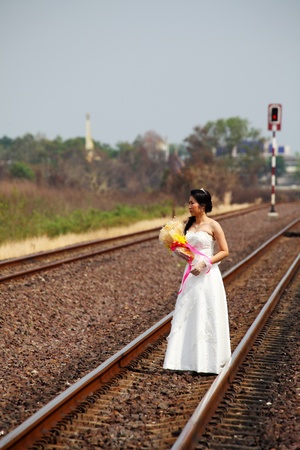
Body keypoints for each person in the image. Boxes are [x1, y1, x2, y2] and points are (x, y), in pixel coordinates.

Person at [163, 188, 231, 374]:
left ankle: (208, 362)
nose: (189, 206)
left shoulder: (214, 225)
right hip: (191, 274)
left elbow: (224, 251)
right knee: (188, 311)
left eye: (192, 202)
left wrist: (205, 263)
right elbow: (187, 248)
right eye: (189, 202)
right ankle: (184, 361)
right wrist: (180, 253)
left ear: (202, 206)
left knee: (205, 311)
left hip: (208, 275)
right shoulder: (188, 225)